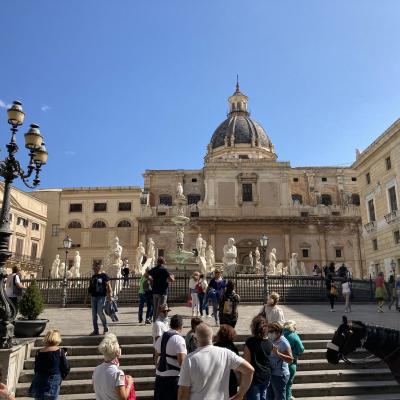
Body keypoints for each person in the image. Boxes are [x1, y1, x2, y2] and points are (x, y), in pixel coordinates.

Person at [178, 323, 254, 400]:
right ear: (213, 337)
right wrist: (240, 395)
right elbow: (249, 370)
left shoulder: (189, 359)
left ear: (195, 339)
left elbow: (183, 391)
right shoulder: (226, 353)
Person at [28, 329, 70, 400]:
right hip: (52, 381)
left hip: (39, 381)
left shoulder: (39, 352)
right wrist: (61, 377)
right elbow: (66, 368)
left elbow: (36, 368)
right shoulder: (60, 351)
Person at [92, 333, 135, 400]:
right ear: (117, 352)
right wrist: (129, 383)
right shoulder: (118, 373)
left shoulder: (96, 369)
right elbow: (123, 398)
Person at [154, 314, 187, 400]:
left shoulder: (162, 336)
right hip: (172, 378)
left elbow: (157, 352)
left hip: (159, 376)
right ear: (181, 326)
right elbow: (182, 362)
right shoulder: (179, 339)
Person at [243, 315, 272, 400]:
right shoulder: (269, 343)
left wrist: (243, 384)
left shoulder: (250, 342)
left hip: (254, 378)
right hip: (266, 376)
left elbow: (246, 363)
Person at [267, 322, 293, 400]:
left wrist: (278, 353)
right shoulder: (272, 340)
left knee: (279, 397)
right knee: (269, 397)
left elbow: (290, 359)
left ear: (278, 332)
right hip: (271, 373)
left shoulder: (284, 342)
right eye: (269, 331)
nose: (269, 334)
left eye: (271, 332)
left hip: (280, 375)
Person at [213, 324, 240, 397]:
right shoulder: (233, 348)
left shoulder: (214, 347)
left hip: (216, 379)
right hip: (230, 379)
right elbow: (237, 367)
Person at [147, 257, 175, 322]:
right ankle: (160, 322)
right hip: (162, 292)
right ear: (163, 262)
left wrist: (151, 279)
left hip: (155, 291)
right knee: (161, 308)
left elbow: (146, 275)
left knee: (155, 308)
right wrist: (173, 277)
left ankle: (155, 322)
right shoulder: (164, 270)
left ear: (157, 262)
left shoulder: (154, 269)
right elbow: (171, 279)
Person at [88, 263, 112, 335]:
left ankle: (105, 326)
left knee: (100, 312)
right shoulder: (93, 277)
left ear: (99, 268)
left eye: (95, 268)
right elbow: (90, 288)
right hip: (93, 297)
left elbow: (109, 285)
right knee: (94, 315)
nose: (94, 269)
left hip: (101, 297)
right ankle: (96, 330)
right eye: (93, 268)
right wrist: (86, 299)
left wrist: (110, 295)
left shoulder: (104, 276)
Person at [283, 320, 304, 400]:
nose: (296, 327)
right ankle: (287, 397)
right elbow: (301, 349)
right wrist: (294, 352)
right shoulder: (294, 335)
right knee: (288, 383)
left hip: (279, 362)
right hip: (291, 362)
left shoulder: (280, 334)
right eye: (295, 326)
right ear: (292, 326)